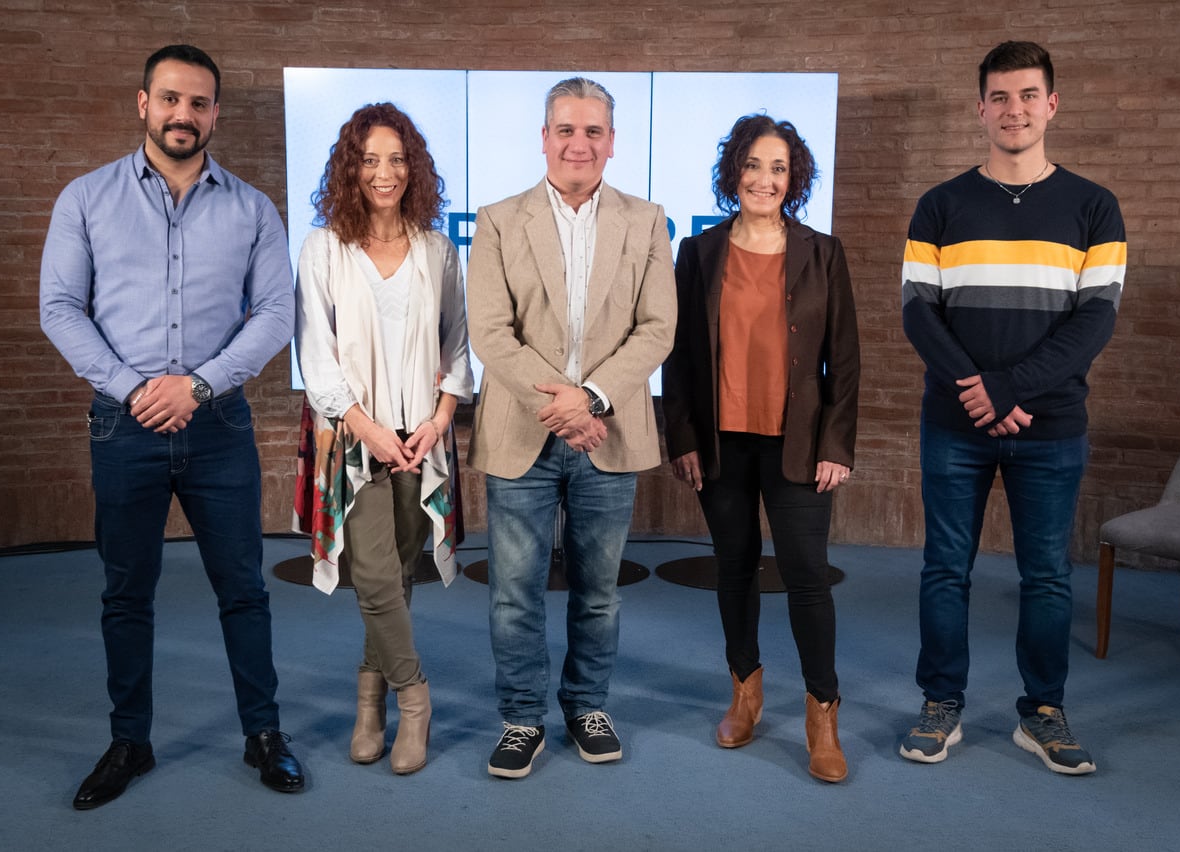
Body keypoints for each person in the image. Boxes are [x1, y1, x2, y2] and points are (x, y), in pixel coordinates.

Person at [40, 44, 305, 809]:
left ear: (215, 113)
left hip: (219, 423)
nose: (183, 114)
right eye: (170, 99)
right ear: (143, 103)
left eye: (199, 103)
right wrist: (133, 390)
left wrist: (196, 385)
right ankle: (130, 742)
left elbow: (275, 313)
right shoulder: (85, 199)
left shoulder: (252, 208)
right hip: (122, 429)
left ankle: (263, 734)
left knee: (243, 590)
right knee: (127, 593)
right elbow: (60, 307)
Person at [899, 41, 1126, 775]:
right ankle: (941, 703)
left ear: (1051, 104)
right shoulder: (940, 204)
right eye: (999, 97)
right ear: (980, 109)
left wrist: (1010, 389)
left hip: (1051, 427)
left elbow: (1094, 321)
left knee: (1048, 576)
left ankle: (1044, 713)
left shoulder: (1095, 206)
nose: (1014, 109)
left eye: (1028, 95)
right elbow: (918, 314)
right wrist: (979, 389)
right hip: (952, 425)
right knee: (944, 569)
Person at [466, 77, 676, 779]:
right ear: (544, 137)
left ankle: (587, 704)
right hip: (522, 432)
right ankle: (522, 716)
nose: (578, 143)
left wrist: (590, 400)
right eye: (565, 130)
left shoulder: (647, 221)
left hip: (605, 434)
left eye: (592, 131)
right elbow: (491, 333)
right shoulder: (498, 220)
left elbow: (657, 329)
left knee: (599, 590)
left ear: (612, 142)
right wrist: (560, 404)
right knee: (513, 589)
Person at [662, 115, 860, 783]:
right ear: (734, 174)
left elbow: (846, 361)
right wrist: (683, 436)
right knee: (735, 568)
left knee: (806, 575)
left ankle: (821, 713)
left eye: (778, 168)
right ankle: (745, 694)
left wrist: (837, 444)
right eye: (753, 166)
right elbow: (681, 356)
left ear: (793, 177)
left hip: (798, 444)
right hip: (723, 442)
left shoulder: (823, 252)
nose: (765, 179)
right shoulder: (699, 251)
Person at [294, 103, 473, 775]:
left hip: (421, 438)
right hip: (353, 437)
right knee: (371, 573)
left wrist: (439, 417)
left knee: (397, 574)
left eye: (396, 158)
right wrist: (365, 425)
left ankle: (369, 702)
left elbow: (457, 344)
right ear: (349, 166)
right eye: (369, 159)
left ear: (413, 167)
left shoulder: (436, 248)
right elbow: (316, 355)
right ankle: (417, 702)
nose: (384, 172)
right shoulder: (323, 247)